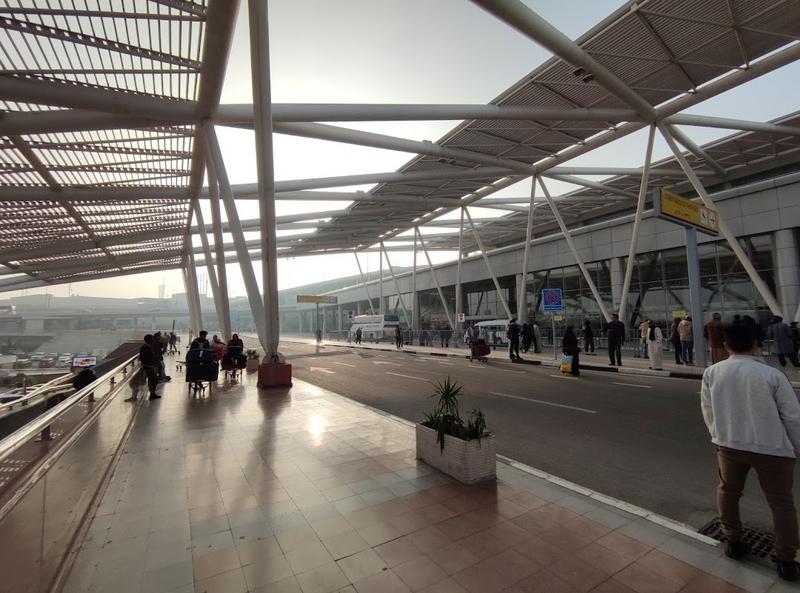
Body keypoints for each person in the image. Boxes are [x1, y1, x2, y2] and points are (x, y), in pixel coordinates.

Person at [700, 322, 800, 582]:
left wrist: (718, 436)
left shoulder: (712, 372)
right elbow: (792, 417)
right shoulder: (772, 375)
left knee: (728, 493)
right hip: (772, 449)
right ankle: (786, 559)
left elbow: (708, 410)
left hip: (729, 446)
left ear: (725, 345)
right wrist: (795, 446)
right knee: (781, 503)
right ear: (756, 344)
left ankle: (733, 541)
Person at [138, 334, 160, 400]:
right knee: (153, 380)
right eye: (152, 339)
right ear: (149, 340)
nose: (153, 340)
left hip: (151, 366)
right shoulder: (145, 348)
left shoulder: (149, 347)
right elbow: (144, 357)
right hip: (149, 366)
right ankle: (152, 394)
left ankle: (153, 393)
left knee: (154, 380)